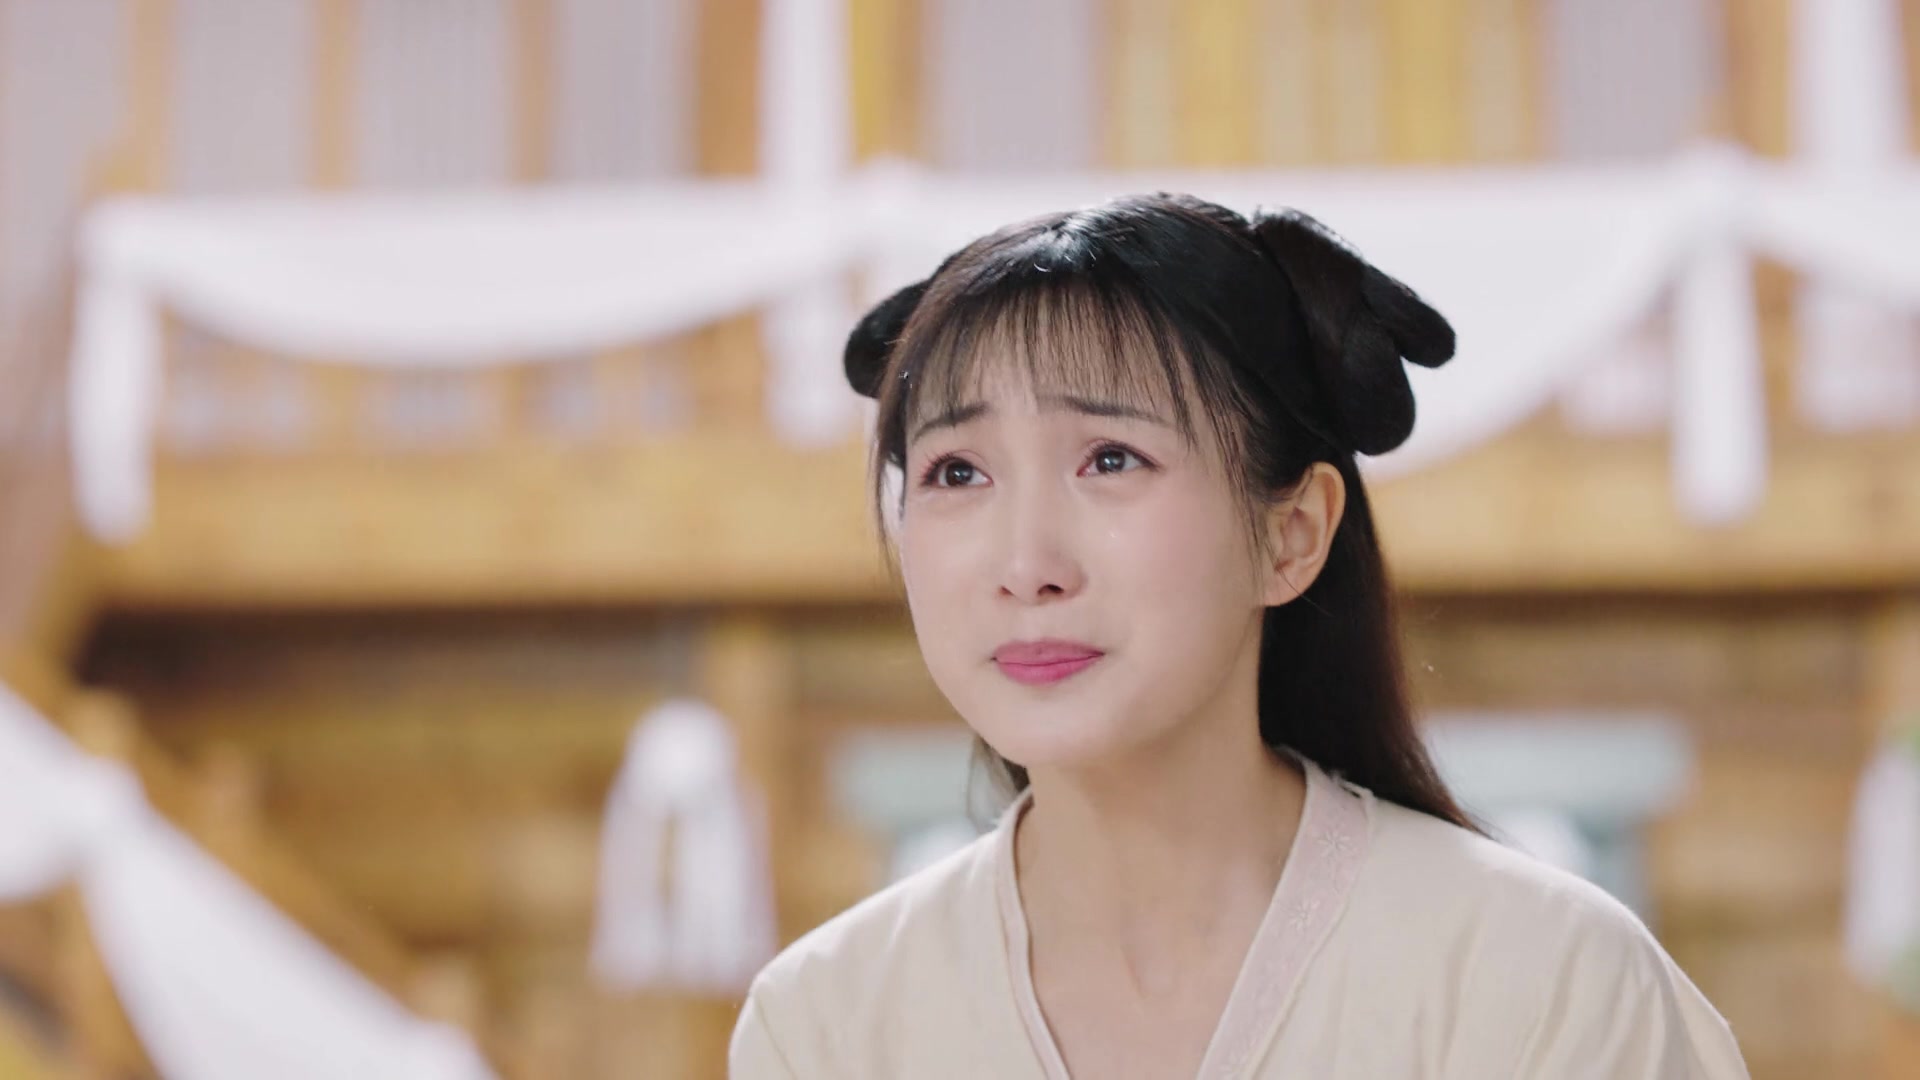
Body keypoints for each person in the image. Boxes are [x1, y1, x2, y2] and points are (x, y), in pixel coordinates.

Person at [729, 193, 1749, 1078]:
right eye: (958, 472)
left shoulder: (1543, 979)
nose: (1027, 563)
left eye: (1111, 458)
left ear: (1292, 534)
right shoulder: (825, 1024)